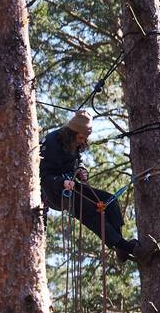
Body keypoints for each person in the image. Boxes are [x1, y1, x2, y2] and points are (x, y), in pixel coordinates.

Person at [40, 110, 153, 263]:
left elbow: (77, 161)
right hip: (52, 191)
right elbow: (43, 175)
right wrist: (61, 183)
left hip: (71, 184)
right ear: (71, 133)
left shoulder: (76, 142)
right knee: (89, 209)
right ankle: (129, 248)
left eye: (84, 138)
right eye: (80, 137)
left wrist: (81, 170)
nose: (82, 141)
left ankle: (120, 245)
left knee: (109, 201)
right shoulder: (52, 142)